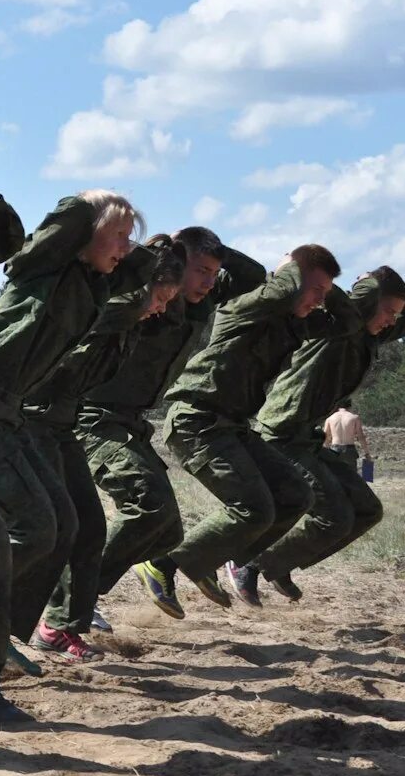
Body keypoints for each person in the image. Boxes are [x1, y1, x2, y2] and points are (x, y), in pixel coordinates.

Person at [0, 190, 142, 697]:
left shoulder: (90, 284)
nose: (127, 247)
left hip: (8, 410)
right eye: (120, 234)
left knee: (63, 524)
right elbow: (63, 221)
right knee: (31, 527)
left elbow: (139, 267)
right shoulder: (43, 266)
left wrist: (143, 246)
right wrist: (93, 204)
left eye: (130, 238)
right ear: (85, 231)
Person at [139, 245, 351, 612]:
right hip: (197, 419)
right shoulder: (249, 306)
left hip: (233, 425)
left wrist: (327, 290)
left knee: (296, 494)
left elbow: (347, 323)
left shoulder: (294, 323)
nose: (320, 301)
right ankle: (161, 565)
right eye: (315, 290)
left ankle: (207, 559)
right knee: (252, 507)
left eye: (324, 294)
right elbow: (270, 280)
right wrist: (291, 269)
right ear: (293, 280)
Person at [78, 228, 265, 622]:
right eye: (200, 270)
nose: (209, 282)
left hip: (128, 418)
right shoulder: (143, 289)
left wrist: (212, 250)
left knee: (167, 528)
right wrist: (169, 250)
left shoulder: (203, 296)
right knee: (147, 505)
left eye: (214, 272)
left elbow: (253, 276)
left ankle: (80, 594)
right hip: (91, 411)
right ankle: (74, 598)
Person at [25, 239, 185, 661]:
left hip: (59, 420)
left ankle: (59, 629)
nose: (162, 309)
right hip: (28, 417)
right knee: (40, 527)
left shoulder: (130, 322)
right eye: (159, 297)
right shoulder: (102, 311)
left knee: (89, 528)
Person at [250, 268, 405, 601]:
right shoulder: (332, 327)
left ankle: (277, 563)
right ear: (365, 304)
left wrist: (387, 294)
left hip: (306, 438)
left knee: (367, 510)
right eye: (388, 311)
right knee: (334, 516)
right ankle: (251, 564)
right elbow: (358, 306)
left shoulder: (371, 336)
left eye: (396, 314)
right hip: (281, 433)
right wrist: (368, 287)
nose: (393, 321)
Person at [322, 403, 369, 467]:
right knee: (352, 475)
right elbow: (361, 437)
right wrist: (366, 452)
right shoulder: (354, 418)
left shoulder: (330, 418)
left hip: (335, 449)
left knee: (336, 474)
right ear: (350, 406)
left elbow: (325, 437)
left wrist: (325, 453)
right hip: (349, 449)